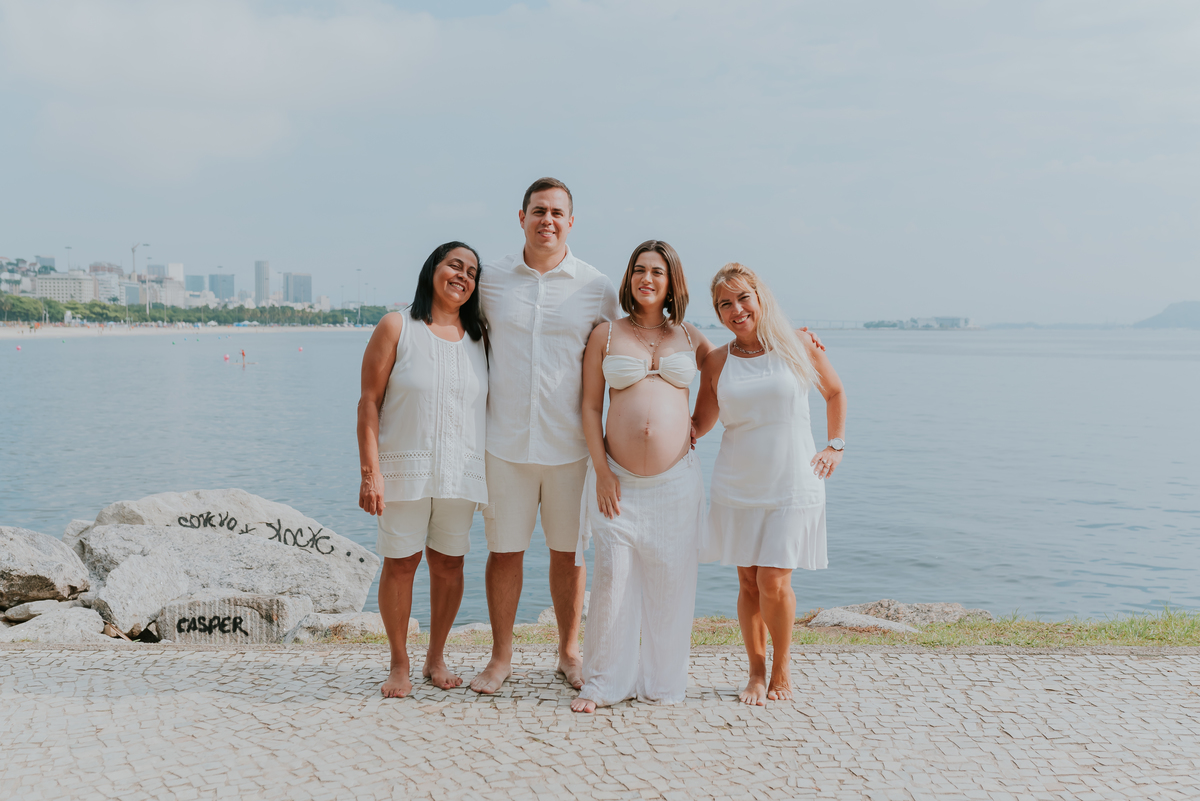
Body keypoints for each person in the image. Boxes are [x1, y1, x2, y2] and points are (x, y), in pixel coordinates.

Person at [470, 177, 619, 694]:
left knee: (568, 555)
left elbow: (637, 338)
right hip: (504, 444)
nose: (547, 220)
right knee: (504, 552)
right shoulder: (489, 280)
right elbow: (440, 314)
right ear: (521, 217)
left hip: (571, 448)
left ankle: (568, 652)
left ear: (571, 222)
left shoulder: (596, 287)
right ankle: (501, 657)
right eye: (538, 211)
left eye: (557, 212)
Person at [570, 240, 715, 713]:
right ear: (629, 279)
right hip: (618, 481)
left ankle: (661, 683)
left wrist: (697, 426)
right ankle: (605, 682)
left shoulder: (691, 337)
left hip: (676, 484)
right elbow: (591, 407)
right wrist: (601, 471)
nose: (646, 278)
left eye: (656, 271)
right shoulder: (606, 335)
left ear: (672, 280)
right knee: (613, 581)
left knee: (672, 582)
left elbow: (725, 373)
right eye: (638, 270)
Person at [692, 262, 846, 706]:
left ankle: (782, 670)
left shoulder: (798, 345)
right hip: (737, 482)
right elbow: (701, 421)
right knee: (747, 583)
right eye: (725, 304)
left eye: (743, 298)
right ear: (718, 313)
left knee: (774, 580)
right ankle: (756, 672)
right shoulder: (717, 361)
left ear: (760, 298)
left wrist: (835, 445)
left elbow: (834, 392)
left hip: (793, 482)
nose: (736, 309)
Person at [357, 242, 489, 699]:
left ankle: (436, 657)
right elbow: (369, 402)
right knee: (402, 562)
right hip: (402, 469)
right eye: (455, 265)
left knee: (450, 563)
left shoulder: (480, 338)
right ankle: (399, 663)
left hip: (461, 470)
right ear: (433, 268)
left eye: (472, 271)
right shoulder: (398, 326)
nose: (463, 276)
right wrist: (370, 472)